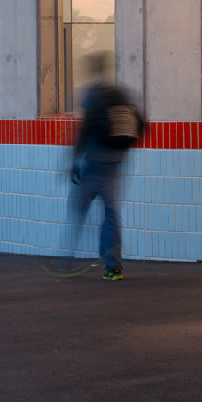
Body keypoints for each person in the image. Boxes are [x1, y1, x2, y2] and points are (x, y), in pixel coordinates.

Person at [69, 51, 145, 280]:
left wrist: (74, 160)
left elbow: (85, 128)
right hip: (115, 162)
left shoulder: (93, 93)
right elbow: (140, 123)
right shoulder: (118, 92)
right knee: (110, 214)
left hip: (94, 163)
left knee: (78, 209)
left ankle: (66, 259)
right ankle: (113, 267)